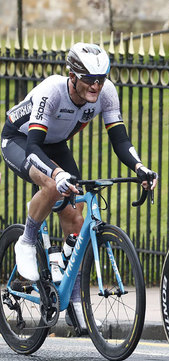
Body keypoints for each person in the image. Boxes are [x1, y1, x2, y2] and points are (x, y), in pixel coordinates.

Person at [1, 42, 158, 329]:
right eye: (89, 79)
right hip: (20, 140)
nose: (96, 86)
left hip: (55, 144)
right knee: (51, 184)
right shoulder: (52, 91)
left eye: (101, 79)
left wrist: (140, 167)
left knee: (74, 217)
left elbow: (120, 140)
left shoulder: (105, 94)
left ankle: (71, 301)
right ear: (72, 75)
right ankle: (26, 240)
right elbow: (35, 145)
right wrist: (57, 173)